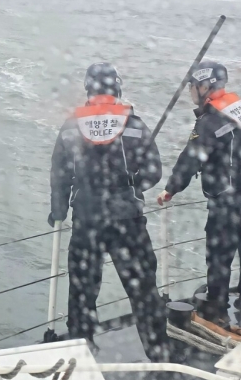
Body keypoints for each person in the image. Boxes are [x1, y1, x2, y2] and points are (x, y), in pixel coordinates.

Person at [49, 62, 167, 361]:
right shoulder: (134, 124)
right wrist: (132, 184)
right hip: (127, 220)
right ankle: (159, 354)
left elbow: (60, 174)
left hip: (87, 220)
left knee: (82, 291)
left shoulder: (71, 126)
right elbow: (154, 171)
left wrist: (58, 209)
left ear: (88, 89)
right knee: (143, 289)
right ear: (117, 88)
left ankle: (81, 352)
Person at [157, 61, 241, 324]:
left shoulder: (208, 121)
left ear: (205, 86)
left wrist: (170, 189)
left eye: (193, 86)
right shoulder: (239, 107)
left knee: (219, 257)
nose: (190, 91)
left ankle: (217, 311)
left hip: (227, 199)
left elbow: (190, 158)